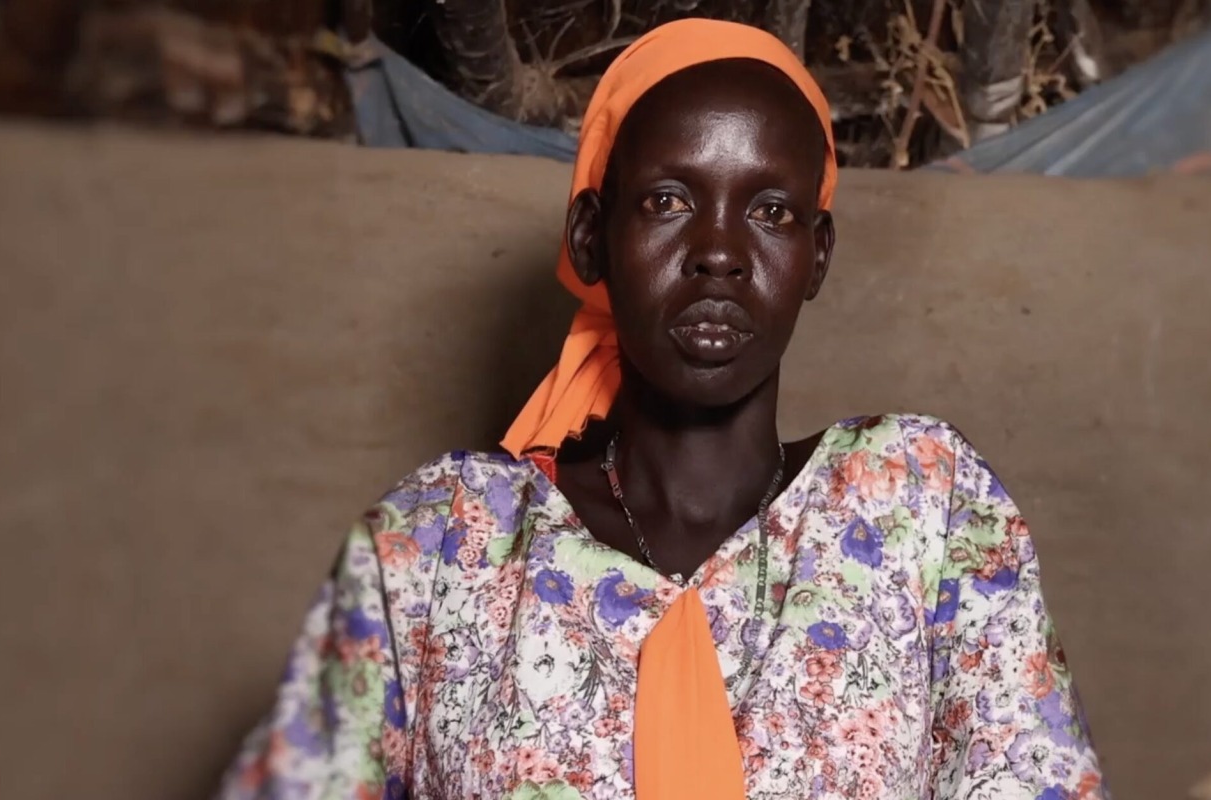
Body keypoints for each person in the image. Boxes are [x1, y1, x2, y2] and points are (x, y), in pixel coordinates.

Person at [219, 18, 1106, 800]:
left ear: (818, 256)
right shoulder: (435, 550)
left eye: (770, 210)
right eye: (668, 201)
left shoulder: (923, 511)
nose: (718, 252)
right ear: (590, 238)